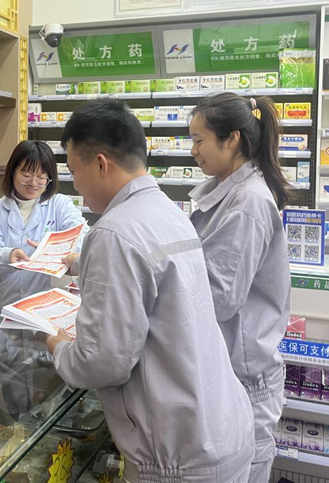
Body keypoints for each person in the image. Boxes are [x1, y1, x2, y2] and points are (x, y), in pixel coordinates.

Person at [46, 99, 255, 483]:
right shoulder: (168, 211)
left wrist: (58, 347)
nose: (75, 184)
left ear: (101, 164)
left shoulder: (113, 232)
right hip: (222, 429)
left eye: (74, 171)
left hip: (179, 458)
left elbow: (102, 361)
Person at [188, 93, 291, 483]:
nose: (193, 150)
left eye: (199, 140)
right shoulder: (229, 193)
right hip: (231, 370)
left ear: (231, 139)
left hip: (247, 381)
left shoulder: (247, 202)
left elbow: (219, 297)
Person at [0, 140, 89, 369]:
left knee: (42, 378)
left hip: (42, 313)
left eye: (41, 177)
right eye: (26, 174)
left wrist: (54, 248)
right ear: (12, 172)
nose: (33, 183)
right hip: (1, 310)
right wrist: (8, 255)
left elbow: (82, 236)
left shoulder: (59, 205)